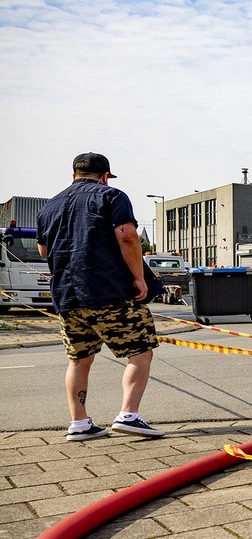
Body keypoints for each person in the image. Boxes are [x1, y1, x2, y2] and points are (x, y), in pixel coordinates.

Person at [36, 153, 164, 442]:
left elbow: (44, 251)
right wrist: (139, 278)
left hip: (68, 297)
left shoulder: (49, 206)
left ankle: (79, 424)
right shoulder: (112, 196)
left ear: (73, 175)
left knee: (80, 359)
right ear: (105, 175)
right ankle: (128, 415)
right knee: (140, 350)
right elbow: (128, 235)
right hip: (110, 291)